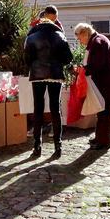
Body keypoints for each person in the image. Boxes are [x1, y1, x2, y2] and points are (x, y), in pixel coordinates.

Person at [24, 9, 73, 158]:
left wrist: (36, 66)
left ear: (40, 22)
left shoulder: (31, 36)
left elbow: (27, 59)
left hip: (38, 74)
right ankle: (58, 146)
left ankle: (37, 146)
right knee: (55, 109)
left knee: (38, 109)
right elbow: (67, 59)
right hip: (55, 74)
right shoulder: (60, 35)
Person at [75, 23, 110, 151]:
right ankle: (100, 137)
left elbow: (96, 65)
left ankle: (104, 141)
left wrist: (83, 70)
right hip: (105, 81)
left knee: (103, 111)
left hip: (104, 82)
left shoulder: (97, 42)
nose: (79, 40)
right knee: (101, 111)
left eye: (79, 37)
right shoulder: (97, 39)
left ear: (84, 33)